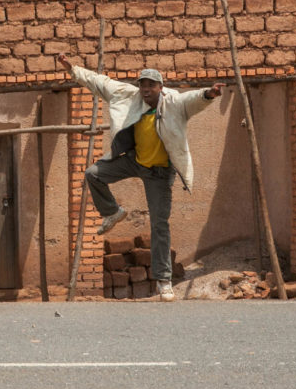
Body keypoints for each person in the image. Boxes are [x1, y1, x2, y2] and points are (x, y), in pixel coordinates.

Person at [57, 54, 224, 302]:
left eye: (151, 86)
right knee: (93, 174)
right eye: (142, 85)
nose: (145, 90)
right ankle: (112, 211)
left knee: (159, 224)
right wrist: (73, 69)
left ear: (160, 87)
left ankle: (164, 281)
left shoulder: (174, 103)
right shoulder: (127, 94)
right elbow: (99, 82)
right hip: (134, 160)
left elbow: (193, 100)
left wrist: (208, 94)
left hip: (159, 172)